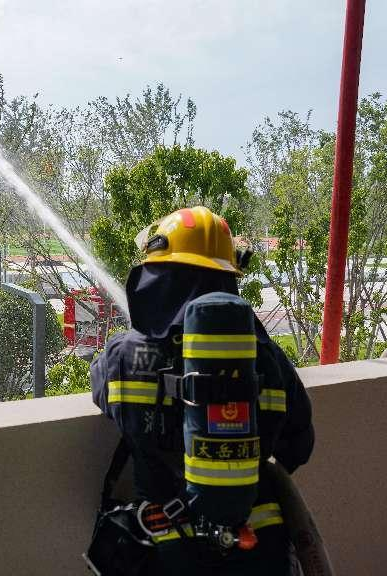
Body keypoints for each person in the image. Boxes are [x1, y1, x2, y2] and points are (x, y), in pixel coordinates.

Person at [90, 206, 314, 575]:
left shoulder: (124, 355)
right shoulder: (267, 357)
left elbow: (101, 389)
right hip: (259, 549)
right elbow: (299, 444)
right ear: (228, 280)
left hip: (166, 552)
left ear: (157, 278)